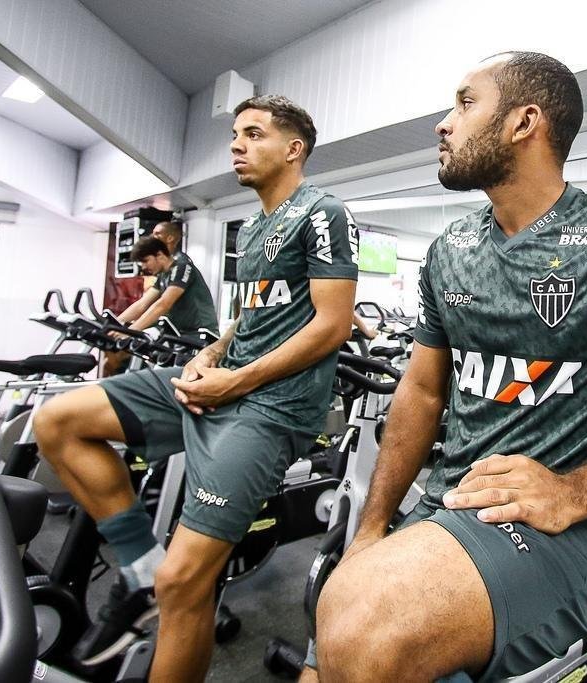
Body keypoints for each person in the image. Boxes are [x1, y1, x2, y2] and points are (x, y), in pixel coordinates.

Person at [308, 52, 587, 683]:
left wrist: (576, 492)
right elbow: (423, 393)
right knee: (332, 631)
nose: (442, 124)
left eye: (463, 103)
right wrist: (371, 528)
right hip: (447, 503)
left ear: (524, 122)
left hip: (567, 530)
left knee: (363, 626)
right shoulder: (449, 249)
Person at [33, 94, 359, 681]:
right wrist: (211, 353)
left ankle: (164, 585)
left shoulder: (323, 212)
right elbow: (255, 313)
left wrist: (235, 380)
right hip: (221, 380)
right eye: (235, 133)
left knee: (185, 583)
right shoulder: (257, 225)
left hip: (269, 409)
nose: (236, 144)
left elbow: (332, 324)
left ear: (294, 149)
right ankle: (138, 568)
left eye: (253, 134)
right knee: (58, 421)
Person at [102, 226, 218, 375]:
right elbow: (142, 304)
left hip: (200, 336)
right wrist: (115, 324)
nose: (144, 266)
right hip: (178, 335)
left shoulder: (182, 267)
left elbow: (163, 304)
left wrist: (131, 331)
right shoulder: (163, 275)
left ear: (160, 255)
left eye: (145, 261)